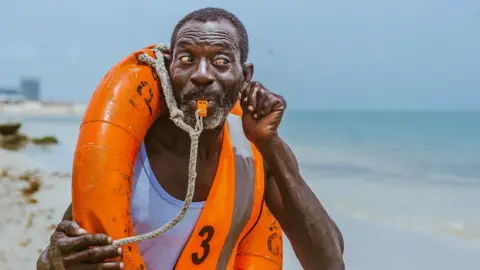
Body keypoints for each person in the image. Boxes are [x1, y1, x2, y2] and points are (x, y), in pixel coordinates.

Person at [36, 7, 344, 270]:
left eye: (221, 61)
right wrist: (53, 259)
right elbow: (61, 252)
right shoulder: (135, 148)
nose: (202, 74)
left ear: (245, 75)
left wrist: (269, 142)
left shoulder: (254, 157)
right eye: (187, 59)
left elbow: (329, 262)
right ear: (169, 67)